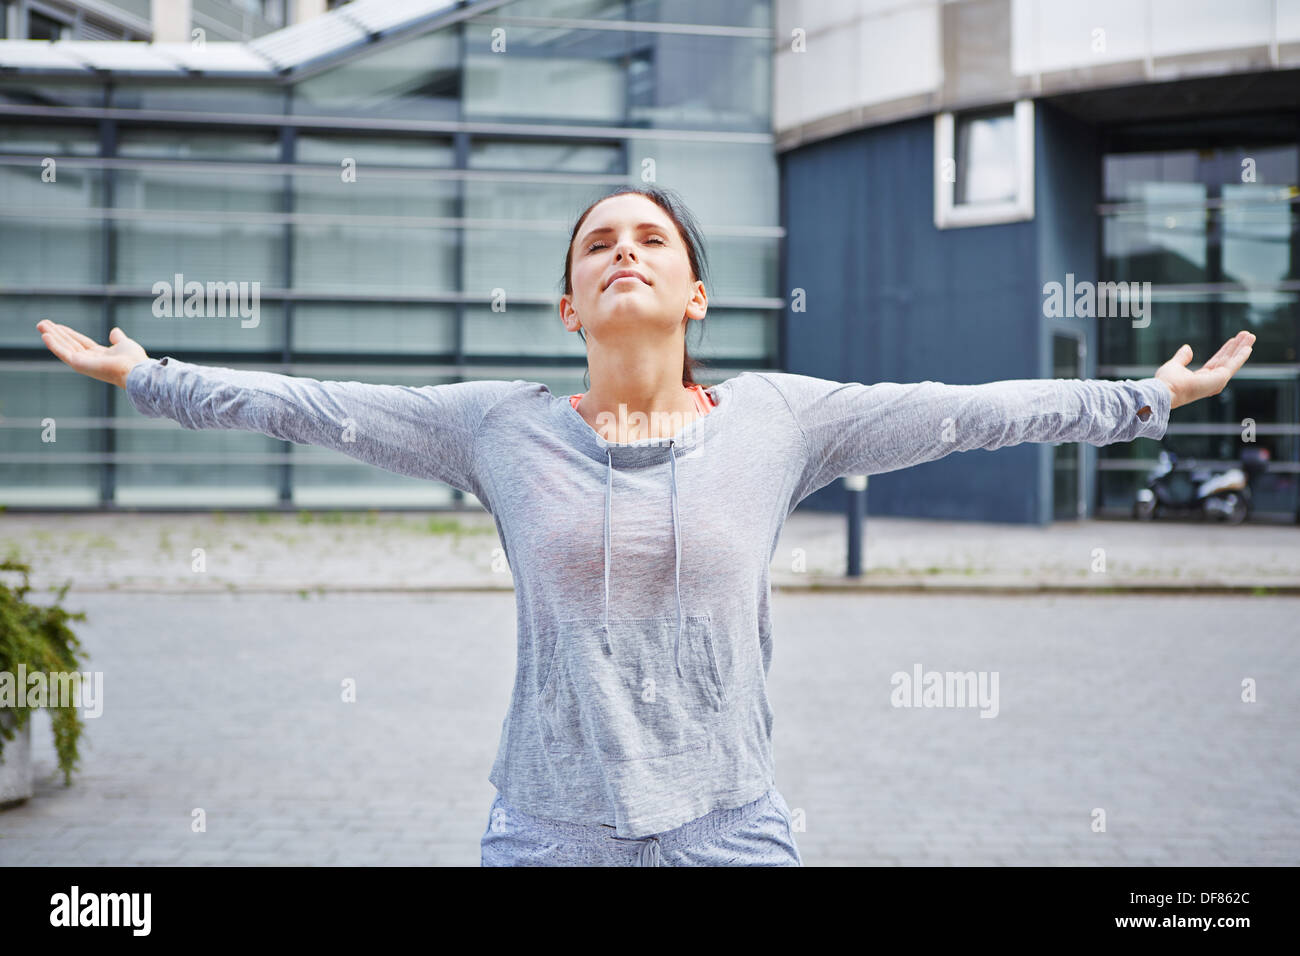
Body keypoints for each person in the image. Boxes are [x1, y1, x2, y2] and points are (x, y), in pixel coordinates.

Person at [36, 185, 1256, 867]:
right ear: (571, 303)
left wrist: (1139, 397)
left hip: (730, 823)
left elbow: (965, 413)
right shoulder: (495, 427)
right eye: (599, 244)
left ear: (694, 292)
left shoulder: (783, 417)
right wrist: (154, 374)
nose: (626, 251)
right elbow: (317, 407)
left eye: (651, 239)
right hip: (548, 828)